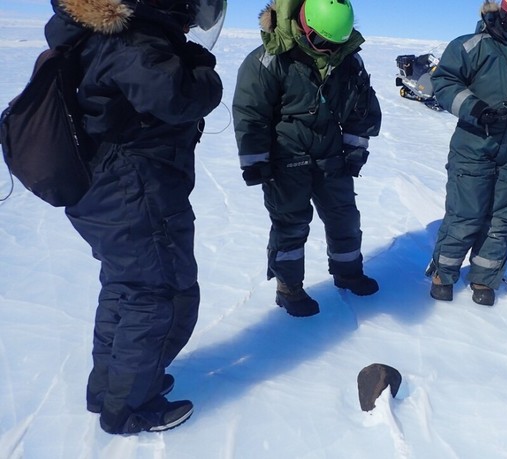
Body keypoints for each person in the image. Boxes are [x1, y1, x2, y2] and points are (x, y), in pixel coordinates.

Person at [45, 0, 225, 434]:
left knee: (125, 286)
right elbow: (179, 97)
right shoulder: (132, 41)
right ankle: (131, 406)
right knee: (160, 294)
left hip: (108, 187)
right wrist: (202, 69)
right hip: (135, 189)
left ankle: (110, 387)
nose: (191, 19)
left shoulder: (100, 36)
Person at [232, 0, 382, 317]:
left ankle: (348, 273)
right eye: (321, 42)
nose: (328, 50)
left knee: (345, 219)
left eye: (335, 44)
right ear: (304, 26)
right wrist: (256, 159)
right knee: (291, 226)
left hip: (330, 155)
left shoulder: (347, 61)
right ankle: (288, 289)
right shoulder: (269, 60)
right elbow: (250, 113)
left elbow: (362, 107)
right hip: (285, 158)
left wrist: (356, 148)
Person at [425, 0, 507, 306]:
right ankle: (443, 274)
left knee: (500, 223)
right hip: (474, 149)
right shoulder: (473, 46)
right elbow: (443, 81)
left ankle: (485, 279)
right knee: (465, 216)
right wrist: (475, 108)